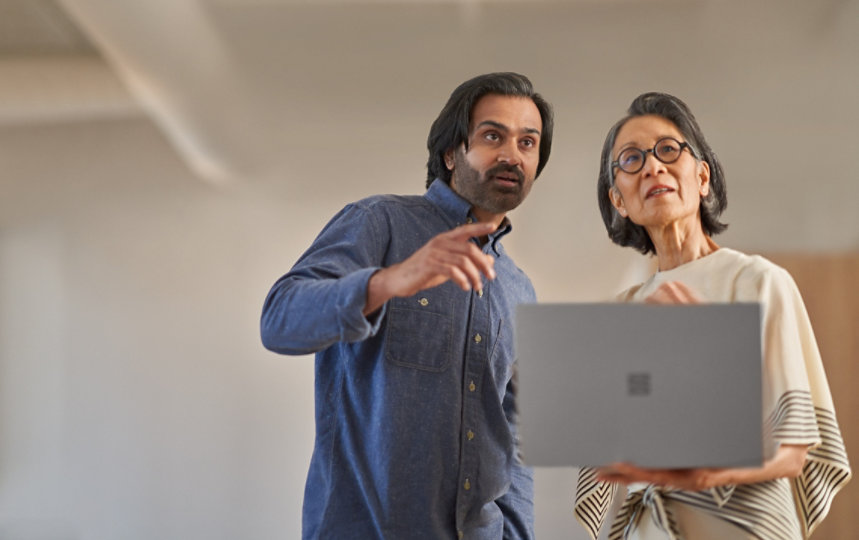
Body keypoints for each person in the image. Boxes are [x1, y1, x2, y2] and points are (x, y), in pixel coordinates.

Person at [261, 72, 553, 540]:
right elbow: (278, 319)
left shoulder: (520, 289)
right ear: (450, 154)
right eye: (492, 135)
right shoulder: (380, 223)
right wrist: (390, 281)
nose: (511, 155)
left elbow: (514, 439)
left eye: (528, 142)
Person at [574, 92, 852, 539]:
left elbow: (795, 453)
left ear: (702, 177)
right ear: (618, 199)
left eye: (668, 150)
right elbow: (609, 461)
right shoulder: (619, 313)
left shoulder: (759, 281)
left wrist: (710, 472)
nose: (652, 167)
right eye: (631, 160)